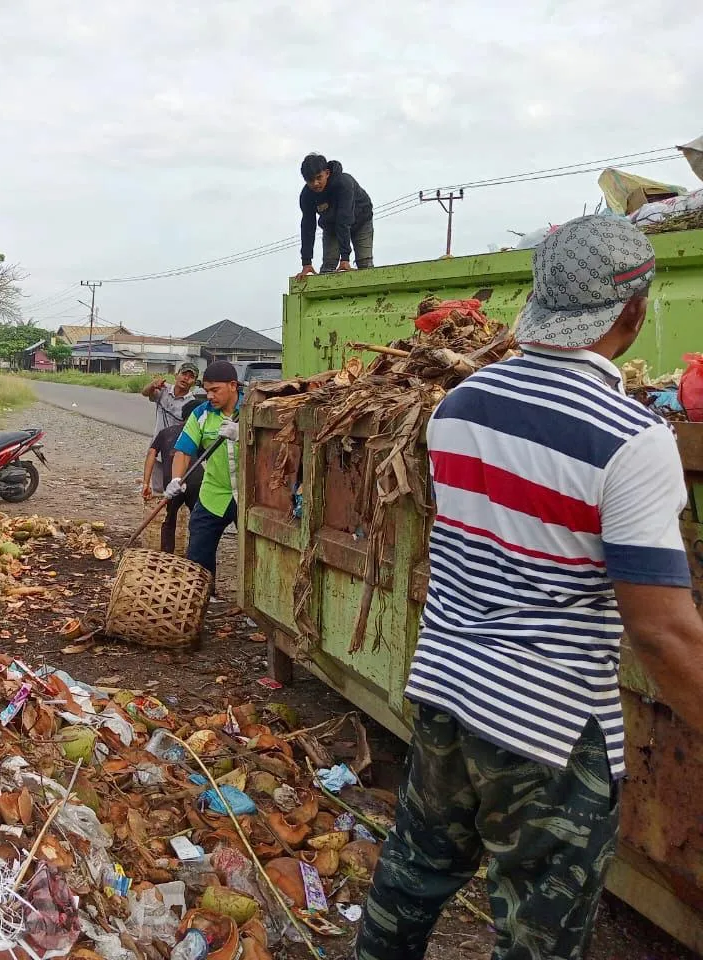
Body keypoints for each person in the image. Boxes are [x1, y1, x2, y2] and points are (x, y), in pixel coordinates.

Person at [355, 215, 703, 960]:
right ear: (634, 310)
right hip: (546, 728)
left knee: (412, 876)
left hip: (447, 690)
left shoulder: (458, 409)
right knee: (537, 937)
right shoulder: (631, 441)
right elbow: (662, 630)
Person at [164, 361, 242, 580]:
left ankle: (253, 609)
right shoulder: (200, 414)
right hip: (214, 492)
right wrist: (177, 479)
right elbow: (184, 450)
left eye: (215, 390)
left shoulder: (252, 410)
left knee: (255, 554)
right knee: (198, 551)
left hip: (249, 496)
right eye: (207, 391)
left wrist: (243, 434)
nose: (209, 396)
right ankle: (202, 596)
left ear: (233, 385)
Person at [296, 153, 374, 278]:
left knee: (365, 263)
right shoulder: (306, 196)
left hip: (361, 221)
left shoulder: (344, 183)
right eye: (310, 180)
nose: (315, 183)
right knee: (328, 267)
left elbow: (344, 219)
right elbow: (307, 227)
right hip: (332, 226)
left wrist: (345, 258)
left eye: (319, 177)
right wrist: (306, 262)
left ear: (327, 173)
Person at [142, 399, 203, 553]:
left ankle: (166, 555)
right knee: (198, 520)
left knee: (169, 519)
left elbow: (151, 453)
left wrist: (145, 483)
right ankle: (195, 554)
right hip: (196, 481)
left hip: (173, 482)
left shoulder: (165, 433)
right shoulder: (199, 433)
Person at [141, 360, 200, 493]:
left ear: (194, 382)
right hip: (158, 446)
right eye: (184, 374)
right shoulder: (163, 389)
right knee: (158, 490)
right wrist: (152, 386)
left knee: (176, 490)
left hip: (178, 452)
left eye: (191, 377)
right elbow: (145, 393)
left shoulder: (191, 403)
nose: (186, 378)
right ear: (176, 375)